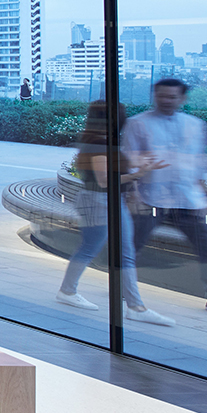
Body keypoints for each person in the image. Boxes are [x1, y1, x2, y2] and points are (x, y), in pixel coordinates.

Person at [126, 79, 207, 319]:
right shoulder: (138, 123)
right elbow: (129, 159)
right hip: (150, 198)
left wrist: (203, 195)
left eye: (172, 97)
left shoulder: (195, 125)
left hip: (189, 200)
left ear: (182, 98)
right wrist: (132, 194)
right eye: (161, 96)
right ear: (154, 96)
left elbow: (201, 161)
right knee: (131, 247)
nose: (166, 100)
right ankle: (124, 289)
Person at [55, 101, 172, 324]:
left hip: (108, 201)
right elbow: (104, 180)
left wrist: (138, 170)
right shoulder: (98, 142)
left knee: (119, 251)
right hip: (98, 201)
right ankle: (69, 291)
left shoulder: (101, 140)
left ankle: (134, 306)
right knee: (95, 249)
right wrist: (138, 174)